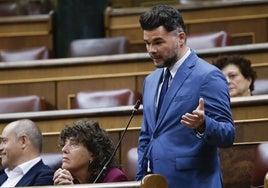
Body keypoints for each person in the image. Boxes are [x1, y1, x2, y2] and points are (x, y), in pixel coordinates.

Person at [136, 5, 235, 188]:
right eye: (147, 43)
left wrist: (204, 125)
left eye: (158, 42)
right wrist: (140, 178)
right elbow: (147, 136)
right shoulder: (150, 81)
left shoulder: (208, 76)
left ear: (181, 38)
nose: (151, 50)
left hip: (194, 182)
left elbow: (227, 134)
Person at [53, 118, 128, 185]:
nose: (64, 149)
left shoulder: (115, 179)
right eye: (65, 144)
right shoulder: (68, 179)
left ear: (93, 153)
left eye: (73, 144)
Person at [0, 119, 54, 187]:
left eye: (4, 141)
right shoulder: (2, 174)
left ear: (23, 141)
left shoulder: (45, 177)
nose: (0, 147)